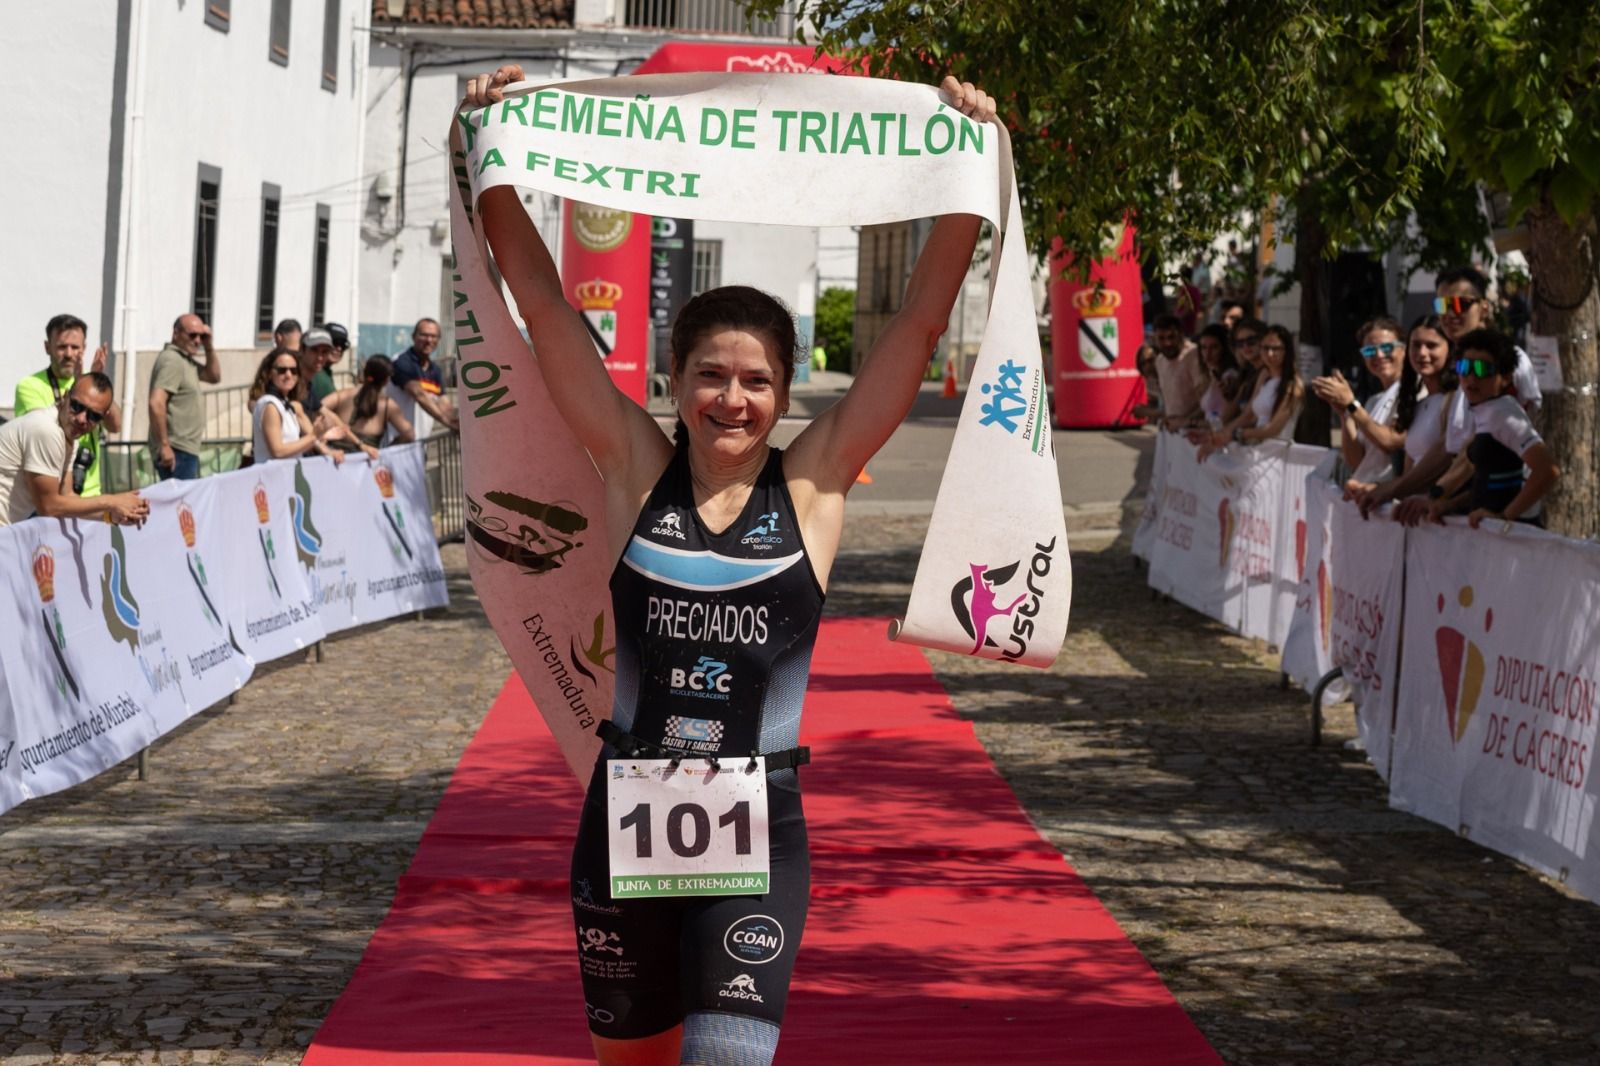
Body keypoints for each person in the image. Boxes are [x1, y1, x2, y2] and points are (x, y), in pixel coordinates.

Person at [464, 64, 996, 1066]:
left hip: (759, 829)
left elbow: (919, 324)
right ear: (675, 380)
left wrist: (966, 179)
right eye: (710, 374)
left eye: (756, 380)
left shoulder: (816, 485)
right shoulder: (633, 469)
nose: (732, 399)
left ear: (787, 393)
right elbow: (542, 304)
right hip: (626, 818)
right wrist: (490, 161)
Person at [1423, 329, 1557, 527]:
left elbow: (1548, 471)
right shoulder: (1486, 410)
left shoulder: (1503, 413)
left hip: (1513, 537)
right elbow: (1488, 482)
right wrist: (1449, 505)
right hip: (1490, 535)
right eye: (1464, 367)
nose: (1471, 378)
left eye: (1482, 369)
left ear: (1506, 378)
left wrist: (1504, 517)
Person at [0, 374, 148, 528]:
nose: (82, 419)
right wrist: (111, 501)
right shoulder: (46, 430)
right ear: (65, 397)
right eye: (76, 406)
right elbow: (49, 506)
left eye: (93, 416)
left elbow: (67, 497)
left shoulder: (69, 435)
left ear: (102, 419)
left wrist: (110, 515)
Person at [14, 313, 122, 497]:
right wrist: (79, 383)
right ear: (47, 347)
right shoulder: (29, 385)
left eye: (75, 347)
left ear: (84, 348)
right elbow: (47, 431)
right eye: (62, 347)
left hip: (90, 493)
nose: (69, 354)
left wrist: (97, 385)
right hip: (50, 492)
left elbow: (116, 426)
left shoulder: (90, 383)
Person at [1313, 317, 1405, 494]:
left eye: (1387, 347)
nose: (1379, 355)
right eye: (1369, 351)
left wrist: (1351, 404)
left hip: (1391, 497)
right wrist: (1345, 414)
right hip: (1366, 496)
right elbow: (1357, 461)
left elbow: (1390, 442)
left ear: (1404, 350)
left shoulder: (1414, 391)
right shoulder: (1373, 401)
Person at [1435, 265, 1540, 419]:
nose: (1450, 314)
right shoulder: (1445, 361)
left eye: (1460, 304)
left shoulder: (1510, 358)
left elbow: (1533, 417)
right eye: (1442, 305)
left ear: (1484, 308)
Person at [1201, 323, 1303, 457]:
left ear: (1287, 351)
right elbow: (1248, 415)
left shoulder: (1294, 384)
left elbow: (1273, 429)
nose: (1270, 353)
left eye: (1276, 348)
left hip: (1276, 454)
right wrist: (1219, 436)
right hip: (1257, 450)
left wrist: (1236, 434)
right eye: (1265, 348)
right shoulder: (1264, 375)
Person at [148, 312, 221, 480]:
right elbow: (156, 402)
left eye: (201, 336)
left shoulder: (184, 360)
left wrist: (209, 346)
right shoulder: (172, 360)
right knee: (181, 497)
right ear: (176, 333)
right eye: (192, 335)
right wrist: (164, 446)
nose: (197, 341)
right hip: (176, 451)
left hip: (184, 450)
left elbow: (214, 376)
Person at [248, 351, 351, 466]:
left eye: (294, 371)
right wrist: (314, 435)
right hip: (273, 475)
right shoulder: (271, 405)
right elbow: (278, 451)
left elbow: (297, 446)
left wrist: (325, 446)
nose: (288, 375)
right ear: (269, 373)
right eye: (282, 370)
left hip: (288, 473)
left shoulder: (287, 404)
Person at [318, 355, 414, 450]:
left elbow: (315, 407)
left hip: (336, 456)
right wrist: (387, 449)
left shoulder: (342, 396)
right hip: (367, 458)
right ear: (387, 380)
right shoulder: (387, 405)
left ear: (364, 372)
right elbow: (409, 435)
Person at [391, 318, 459, 435]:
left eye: (433, 336)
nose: (429, 340)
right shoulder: (401, 362)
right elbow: (419, 394)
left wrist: (460, 421)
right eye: (424, 335)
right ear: (413, 337)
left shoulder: (435, 370)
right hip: (398, 440)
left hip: (421, 440)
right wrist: (448, 422)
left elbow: (443, 403)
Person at [1149, 313, 1206, 430]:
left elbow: (1206, 400)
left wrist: (1185, 421)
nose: (1167, 343)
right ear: (1154, 339)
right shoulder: (1159, 361)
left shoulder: (1193, 355)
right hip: (1173, 430)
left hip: (1197, 429)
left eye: (1171, 337)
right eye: (1161, 338)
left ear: (1181, 335)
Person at [1189, 323, 1241, 432]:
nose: (1207, 354)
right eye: (1204, 348)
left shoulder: (1229, 377)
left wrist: (1190, 422)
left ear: (1224, 349)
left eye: (1214, 347)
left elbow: (1225, 418)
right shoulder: (1213, 375)